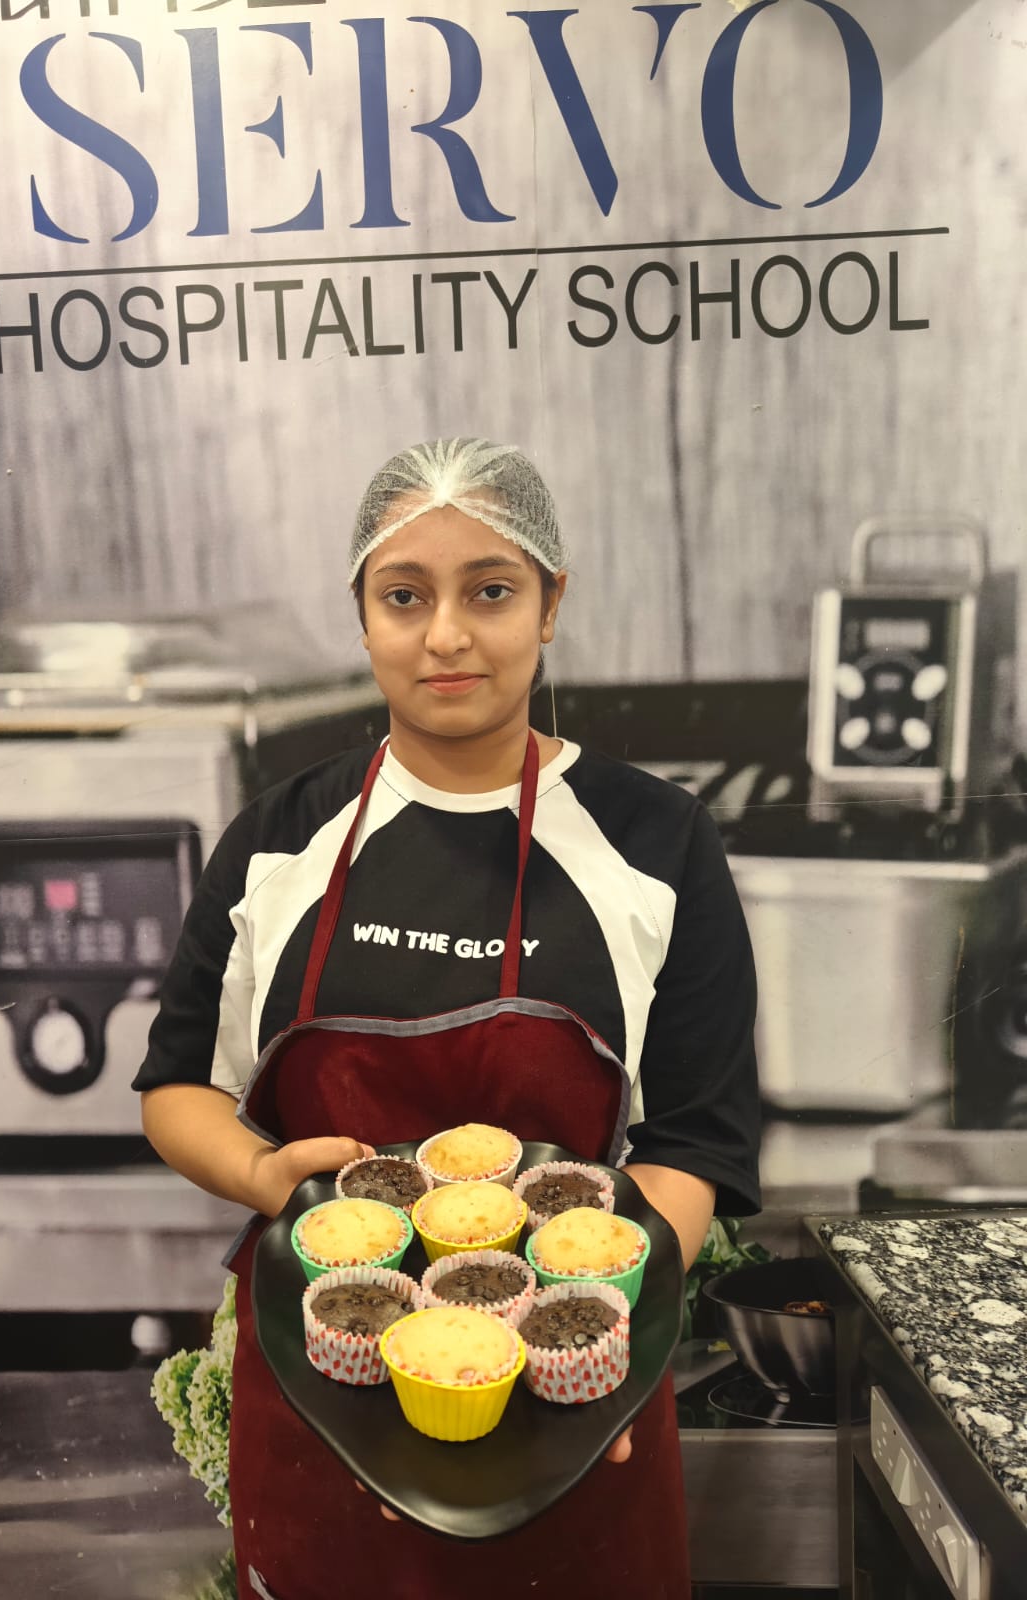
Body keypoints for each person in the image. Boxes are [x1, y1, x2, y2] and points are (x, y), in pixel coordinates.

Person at [134, 437, 761, 1599]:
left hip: (575, 1392)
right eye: (405, 595)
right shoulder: (278, 840)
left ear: (551, 603)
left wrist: (605, 1356)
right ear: (363, 614)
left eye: (491, 590)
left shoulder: (656, 843)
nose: (447, 635)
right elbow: (177, 1086)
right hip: (324, 1388)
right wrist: (266, 1176)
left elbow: (696, 1140)